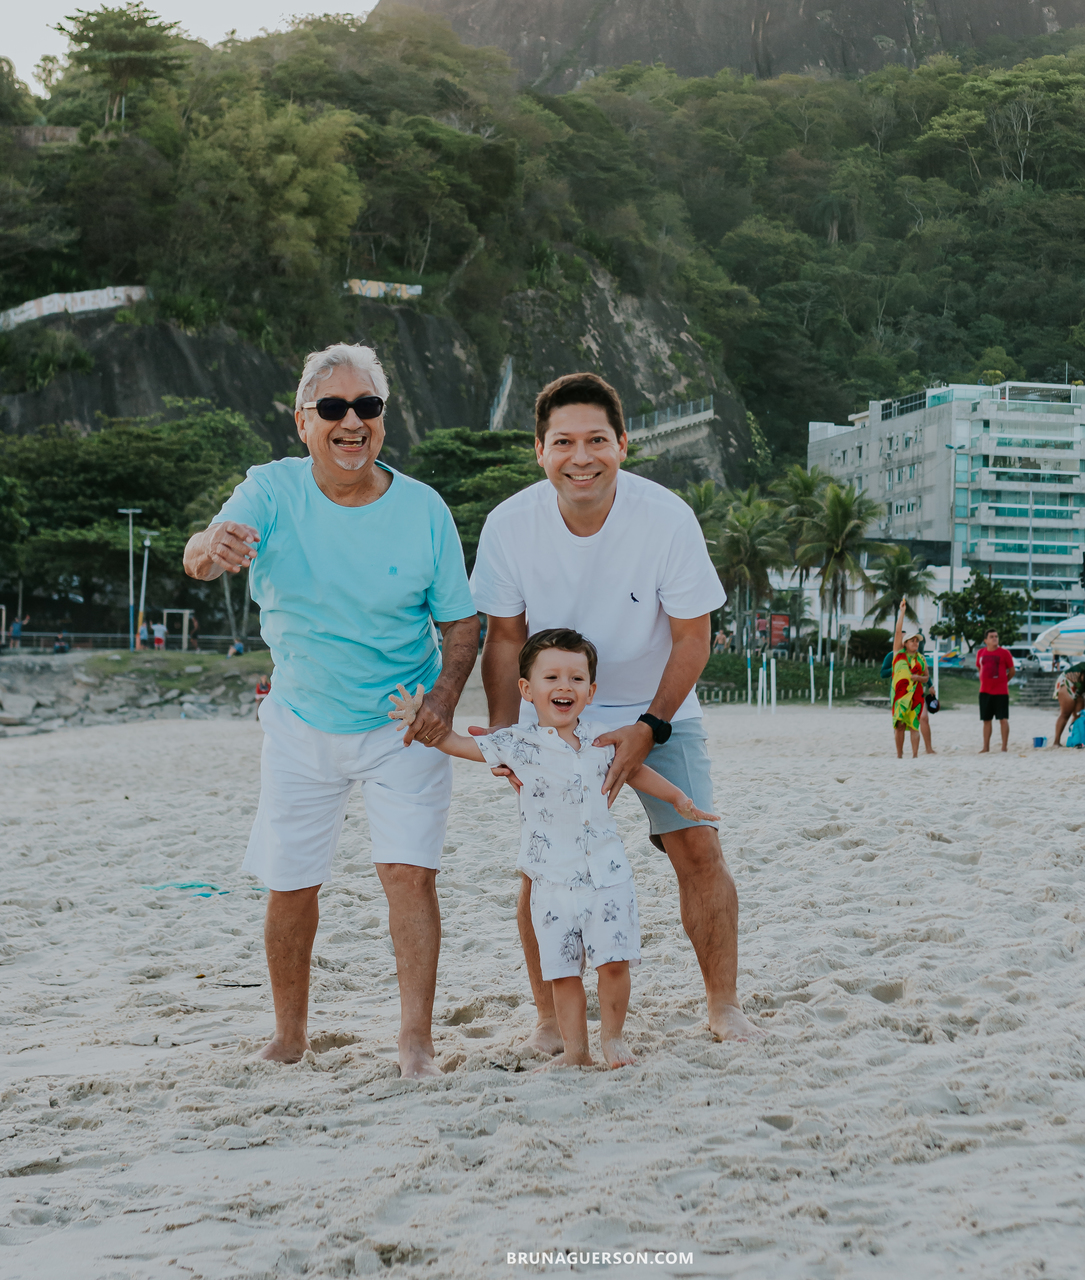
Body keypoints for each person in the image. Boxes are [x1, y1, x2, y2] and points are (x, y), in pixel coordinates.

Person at [182, 341, 478, 1073]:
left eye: (367, 407)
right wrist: (211, 544)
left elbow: (463, 622)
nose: (352, 422)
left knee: (408, 874)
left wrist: (443, 700)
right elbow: (196, 554)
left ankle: (415, 1040)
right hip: (301, 721)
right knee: (292, 883)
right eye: (334, 409)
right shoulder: (270, 491)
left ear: (384, 418)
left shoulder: (424, 510)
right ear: (303, 421)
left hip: (401, 723)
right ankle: (289, 1036)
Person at [468, 370, 759, 1049]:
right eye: (563, 442)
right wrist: (513, 737)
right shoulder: (510, 526)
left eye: (597, 439)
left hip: (660, 706)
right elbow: (505, 637)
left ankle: (723, 1005)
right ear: (539, 451)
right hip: (557, 711)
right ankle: (549, 1020)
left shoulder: (664, 518)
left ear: (623, 444)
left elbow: (692, 637)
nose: (581, 457)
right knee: (545, 866)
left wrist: (650, 726)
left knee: (699, 848)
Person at [391, 628, 717, 1068]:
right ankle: (577, 1052)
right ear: (526, 689)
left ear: (591, 690)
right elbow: (454, 743)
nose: (565, 686)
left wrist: (679, 799)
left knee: (614, 965)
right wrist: (419, 721)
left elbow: (637, 773)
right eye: (552, 678)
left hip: (607, 876)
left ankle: (614, 1040)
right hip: (551, 882)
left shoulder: (605, 740)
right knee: (563, 974)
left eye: (577, 679)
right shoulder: (516, 744)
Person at [890, 599, 925, 758]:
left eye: (917, 641)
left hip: (916, 694)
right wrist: (902, 612)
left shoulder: (921, 659)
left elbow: (927, 677)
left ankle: (915, 755)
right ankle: (899, 754)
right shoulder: (898, 653)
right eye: (913, 640)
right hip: (900, 695)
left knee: (914, 726)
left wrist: (918, 677)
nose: (916, 643)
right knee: (900, 725)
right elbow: (898, 632)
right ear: (905, 643)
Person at [976, 627, 1014, 753]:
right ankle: (986, 747)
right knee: (986, 720)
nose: (994, 639)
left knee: (1003, 719)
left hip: (1001, 692)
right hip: (985, 691)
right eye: (991, 637)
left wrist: (1003, 681)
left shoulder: (1004, 653)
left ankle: (1004, 747)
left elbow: (1012, 671)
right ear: (985, 640)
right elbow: (979, 667)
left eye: (996, 636)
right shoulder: (981, 653)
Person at [1052, 664, 1085, 747]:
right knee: (1065, 714)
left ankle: (1073, 739)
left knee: (1078, 715)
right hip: (1067, 682)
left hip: (1079, 688)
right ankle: (1056, 742)